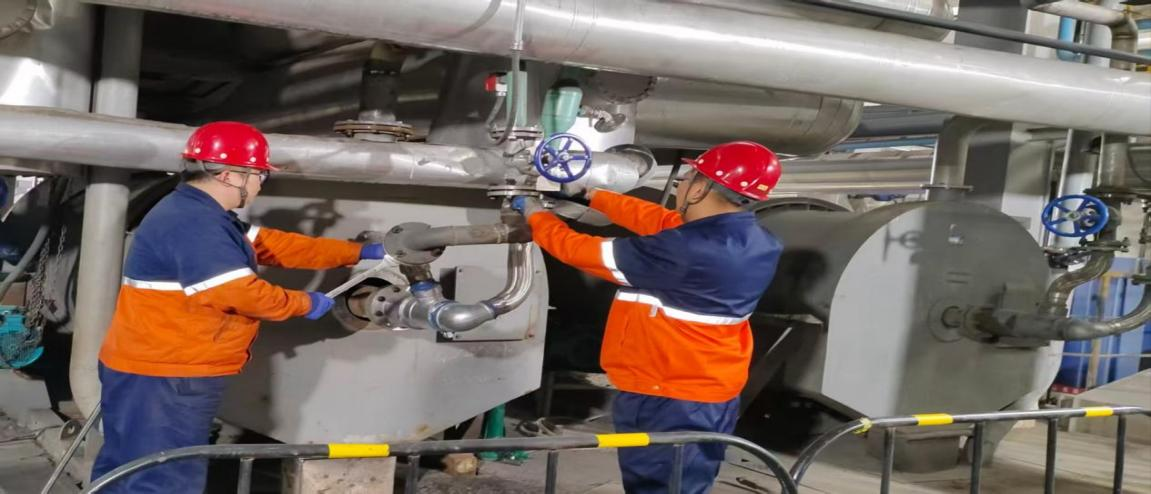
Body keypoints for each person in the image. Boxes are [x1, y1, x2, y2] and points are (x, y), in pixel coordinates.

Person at [91, 122, 387, 493]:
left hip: (152, 366)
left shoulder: (203, 214)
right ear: (231, 175)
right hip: (168, 374)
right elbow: (239, 293)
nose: (261, 183)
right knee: (164, 477)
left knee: (129, 465)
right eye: (259, 174)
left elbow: (276, 246)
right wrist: (304, 302)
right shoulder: (195, 224)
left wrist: (357, 252)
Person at [513, 141, 783, 494]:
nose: (682, 184)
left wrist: (534, 214)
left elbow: (578, 250)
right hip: (707, 388)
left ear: (700, 189)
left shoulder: (686, 250)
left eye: (689, 177)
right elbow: (657, 219)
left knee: (660, 486)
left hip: (669, 394)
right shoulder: (756, 239)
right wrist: (590, 195)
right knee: (684, 483)